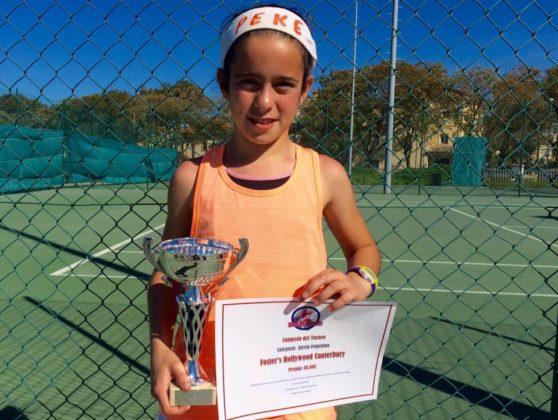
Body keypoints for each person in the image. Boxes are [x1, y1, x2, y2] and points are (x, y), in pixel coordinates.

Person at [148, 4, 382, 419]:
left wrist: (360, 280)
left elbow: (363, 248)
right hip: (207, 389)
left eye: (284, 84)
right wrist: (162, 346)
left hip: (298, 390)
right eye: (250, 82)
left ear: (306, 88)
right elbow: (167, 275)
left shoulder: (324, 174)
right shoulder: (193, 177)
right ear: (224, 83)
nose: (265, 102)